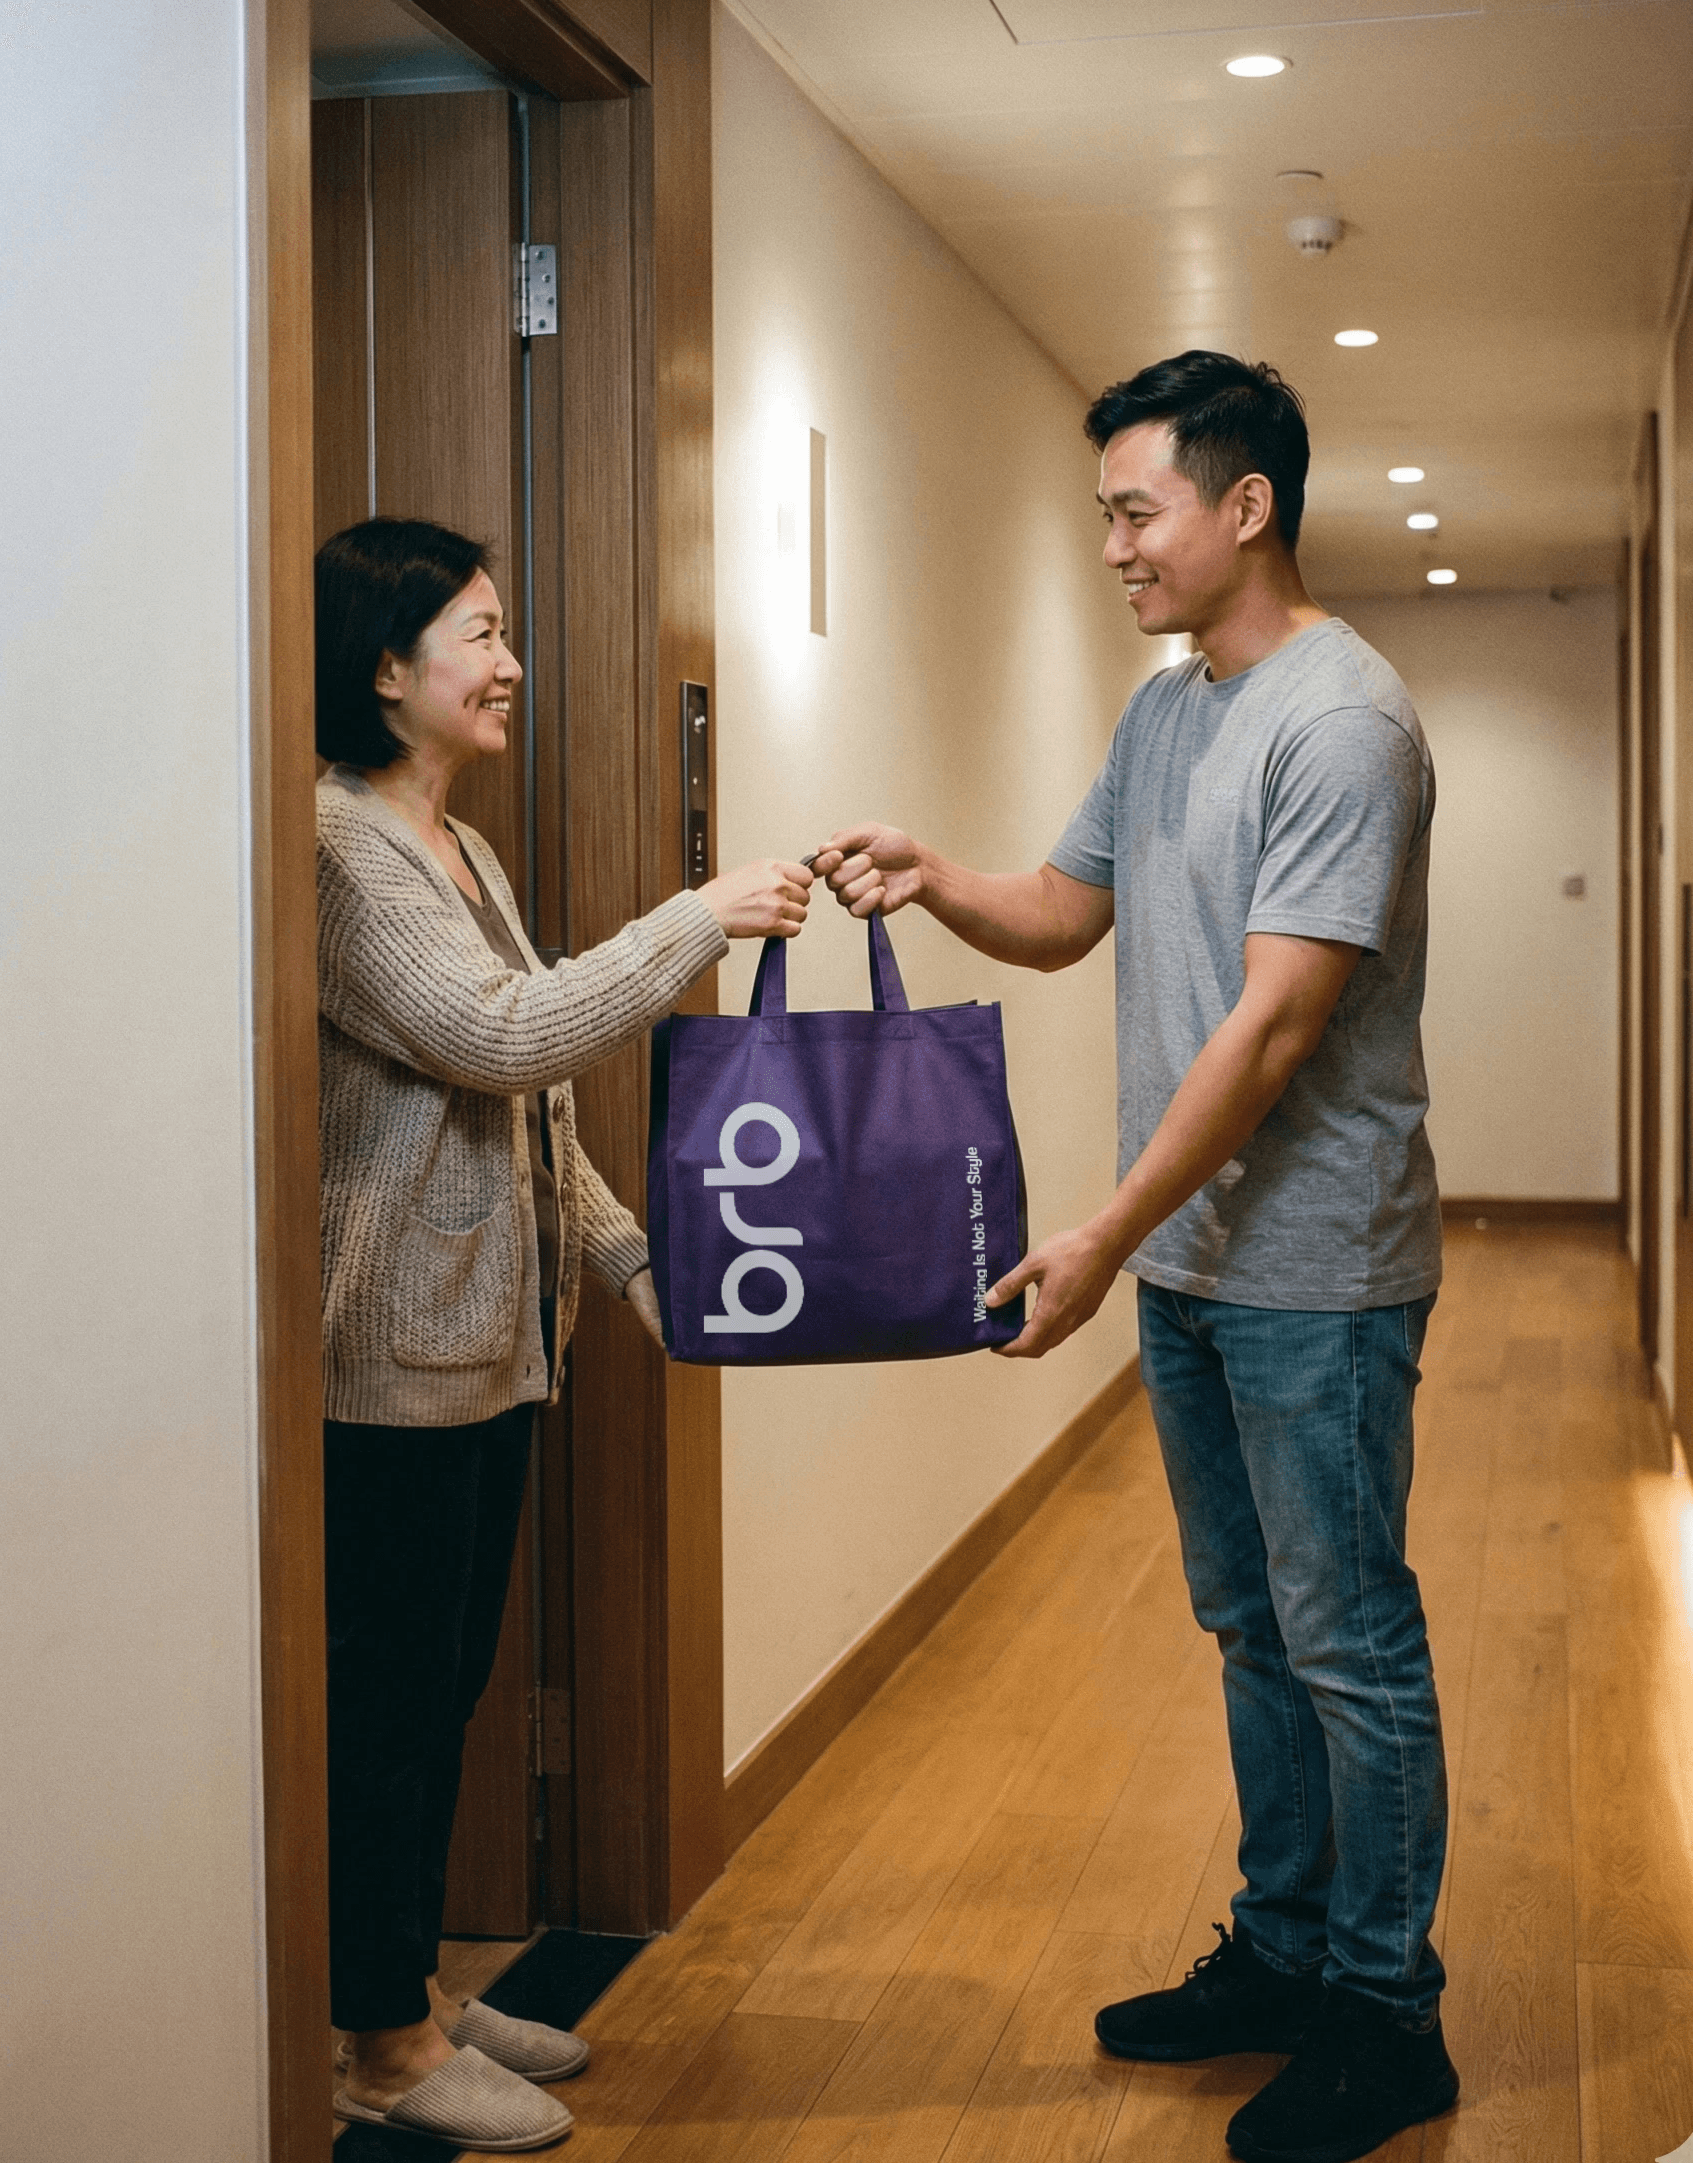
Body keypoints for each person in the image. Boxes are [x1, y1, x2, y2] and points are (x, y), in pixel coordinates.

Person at [814, 352, 1456, 2163]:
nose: (1111, 542)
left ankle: (1387, 2015)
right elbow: (1063, 911)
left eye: (1133, 506)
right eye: (1104, 509)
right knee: (1252, 1628)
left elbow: (1267, 1036)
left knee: (1348, 1642)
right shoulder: (1169, 712)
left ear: (1246, 505)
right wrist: (937, 874)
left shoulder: (1343, 723)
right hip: (1194, 1263)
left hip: (1316, 1270)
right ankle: (1284, 1949)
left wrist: (1101, 1227)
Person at [314, 517, 812, 2152]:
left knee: (448, 1683)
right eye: (479, 630)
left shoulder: (462, 848)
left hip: (498, 1343)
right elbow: (497, 1035)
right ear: (387, 668)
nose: (509, 659)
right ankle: (375, 2041)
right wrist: (699, 921)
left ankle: (403, 1987)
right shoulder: (334, 845)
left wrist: (627, 1261)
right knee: (391, 1703)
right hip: (388, 1365)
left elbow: (539, 1118)